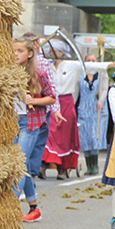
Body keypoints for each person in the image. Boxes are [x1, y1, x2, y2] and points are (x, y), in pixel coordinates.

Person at [14, 38, 54, 223]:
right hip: (13, 122)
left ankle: (9, 206)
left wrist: (34, 101)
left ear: (30, 54)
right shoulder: (8, 72)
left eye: (20, 51)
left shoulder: (40, 72)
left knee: (19, 164)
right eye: (13, 50)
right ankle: (34, 207)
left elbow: (52, 98)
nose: (15, 54)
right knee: (26, 165)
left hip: (30, 123)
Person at [42, 43, 83, 178]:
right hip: (52, 102)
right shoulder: (48, 66)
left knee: (65, 136)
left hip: (66, 102)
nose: (53, 52)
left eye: (56, 50)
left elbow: (89, 65)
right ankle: (44, 165)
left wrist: (109, 65)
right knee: (49, 133)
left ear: (62, 52)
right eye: (51, 50)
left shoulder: (72, 65)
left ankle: (63, 168)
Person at [76, 55, 108, 175]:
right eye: (88, 60)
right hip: (84, 108)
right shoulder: (80, 74)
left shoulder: (101, 73)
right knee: (85, 137)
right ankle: (88, 165)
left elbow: (104, 88)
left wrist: (101, 100)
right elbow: (76, 90)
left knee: (95, 136)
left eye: (93, 60)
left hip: (97, 108)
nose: (91, 62)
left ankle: (94, 165)